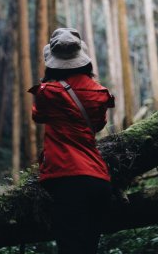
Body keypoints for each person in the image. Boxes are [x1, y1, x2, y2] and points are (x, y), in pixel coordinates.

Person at [28, 27, 115, 254]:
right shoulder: (99, 92)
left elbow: (37, 115)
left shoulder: (47, 92)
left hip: (66, 179)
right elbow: (98, 124)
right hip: (99, 179)